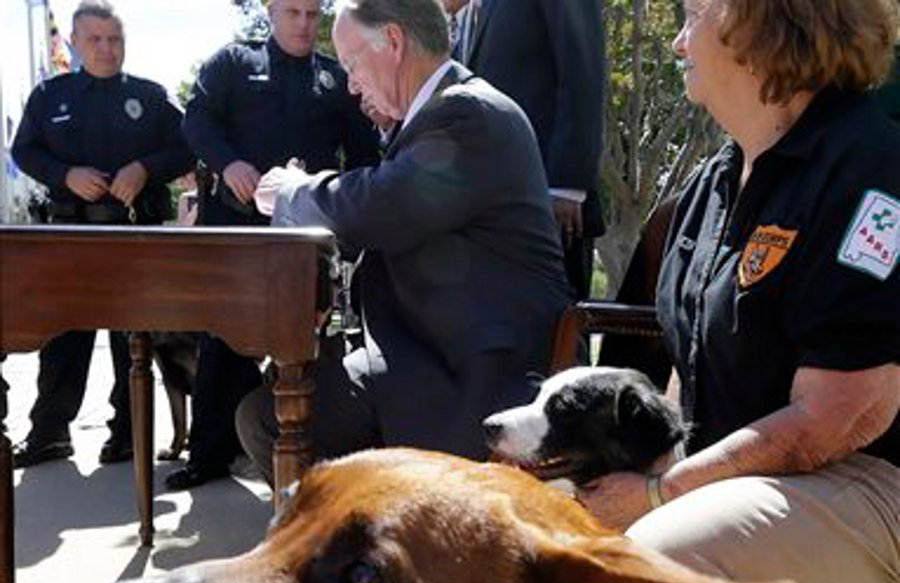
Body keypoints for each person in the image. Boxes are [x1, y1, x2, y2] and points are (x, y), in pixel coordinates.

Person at [577, 0, 900, 583]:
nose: (676, 44)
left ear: (759, 25)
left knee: (654, 565)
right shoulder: (711, 185)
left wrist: (659, 493)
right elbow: (690, 375)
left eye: (694, 15)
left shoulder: (869, 169)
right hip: (748, 484)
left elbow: (842, 414)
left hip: (871, 478)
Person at [242, 0, 572, 485]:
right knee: (269, 410)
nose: (351, 83)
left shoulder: (469, 113)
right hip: (429, 354)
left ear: (393, 42)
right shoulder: (441, 114)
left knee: (276, 421)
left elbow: (379, 206)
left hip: (479, 376)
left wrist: (293, 190)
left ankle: (381, 547)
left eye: (352, 64)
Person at [167, 0, 381, 491]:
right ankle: (209, 455)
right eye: (293, 13)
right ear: (270, 10)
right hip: (236, 231)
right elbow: (196, 122)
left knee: (310, 342)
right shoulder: (233, 63)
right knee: (220, 344)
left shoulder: (335, 78)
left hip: (303, 239)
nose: (304, 24)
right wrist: (228, 163)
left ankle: (310, 447)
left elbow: (364, 156)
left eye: (311, 14)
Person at [10, 0, 192, 468]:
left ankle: (129, 436)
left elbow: (188, 147)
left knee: (130, 342)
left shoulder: (151, 97)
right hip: (70, 234)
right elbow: (24, 151)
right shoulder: (50, 96)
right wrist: (64, 173)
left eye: (115, 40)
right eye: (95, 40)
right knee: (62, 337)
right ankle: (49, 434)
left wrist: (145, 168)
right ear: (73, 42)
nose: (107, 49)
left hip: (135, 236)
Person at [453, 0, 606, 300]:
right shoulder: (470, 12)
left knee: (555, 335)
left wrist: (566, 186)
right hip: (489, 216)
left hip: (550, 207)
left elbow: (582, 68)